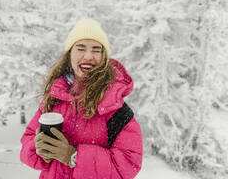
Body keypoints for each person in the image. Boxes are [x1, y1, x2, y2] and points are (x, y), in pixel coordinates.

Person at [20, 18, 143, 179]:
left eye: (96, 50)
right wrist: (38, 150)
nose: (88, 56)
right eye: (81, 48)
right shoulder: (55, 99)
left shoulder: (115, 108)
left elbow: (128, 165)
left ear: (104, 57)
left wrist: (73, 157)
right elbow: (27, 144)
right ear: (69, 54)